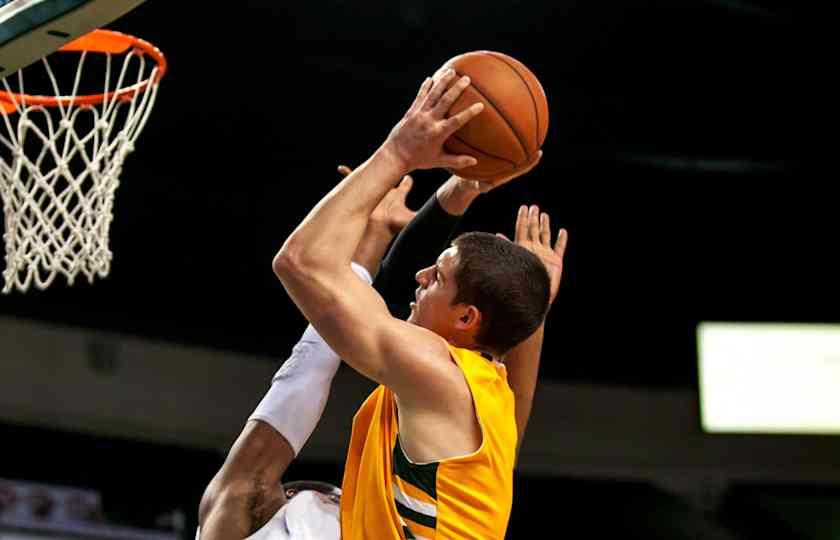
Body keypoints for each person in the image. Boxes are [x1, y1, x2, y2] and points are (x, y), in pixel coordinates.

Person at [271, 69, 566, 539]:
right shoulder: (487, 395)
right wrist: (466, 186)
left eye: (439, 275)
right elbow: (521, 398)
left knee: (258, 492)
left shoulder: (435, 372)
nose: (420, 276)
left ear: (467, 318)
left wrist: (399, 151)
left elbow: (300, 263)